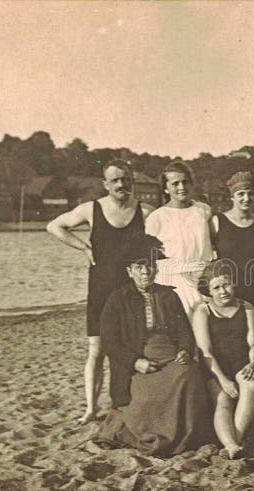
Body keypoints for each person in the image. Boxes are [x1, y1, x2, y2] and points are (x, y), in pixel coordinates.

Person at [46, 159, 152, 424]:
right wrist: (83, 247)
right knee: (97, 350)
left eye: (125, 179)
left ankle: (127, 403)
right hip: (101, 288)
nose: (121, 184)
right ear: (105, 184)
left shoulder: (146, 212)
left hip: (132, 291)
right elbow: (54, 226)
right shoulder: (91, 210)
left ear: (132, 182)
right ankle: (91, 408)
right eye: (115, 180)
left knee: (132, 347)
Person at [95, 235, 213, 456]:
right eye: (139, 267)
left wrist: (185, 351)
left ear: (156, 270)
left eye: (149, 267)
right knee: (144, 396)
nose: (145, 272)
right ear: (129, 271)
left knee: (188, 374)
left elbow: (184, 332)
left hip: (170, 356)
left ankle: (184, 437)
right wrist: (135, 362)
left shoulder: (168, 295)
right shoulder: (117, 299)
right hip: (137, 361)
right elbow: (110, 342)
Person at [192, 261, 254, 459]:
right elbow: (206, 351)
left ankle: (234, 442)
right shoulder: (203, 311)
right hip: (215, 367)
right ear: (209, 290)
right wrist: (223, 380)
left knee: (251, 384)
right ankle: (232, 445)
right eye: (216, 287)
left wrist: (253, 363)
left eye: (227, 285)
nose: (223, 291)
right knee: (223, 398)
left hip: (241, 362)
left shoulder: (246, 307)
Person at [145, 160, 214, 318]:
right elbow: (149, 256)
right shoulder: (157, 217)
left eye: (185, 182)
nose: (181, 187)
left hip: (202, 277)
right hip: (173, 279)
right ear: (166, 188)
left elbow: (213, 242)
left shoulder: (203, 210)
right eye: (175, 183)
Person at [211, 171, 254, 306]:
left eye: (250, 193)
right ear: (232, 197)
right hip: (226, 292)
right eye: (241, 194)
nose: (246, 198)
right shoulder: (217, 222)